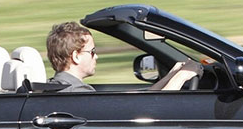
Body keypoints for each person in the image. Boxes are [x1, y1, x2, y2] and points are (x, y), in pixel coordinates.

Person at [46, 21, 203, 92]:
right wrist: (183, 76)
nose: (96, 57)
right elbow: (155, 109)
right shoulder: (76, 94)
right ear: (76, 56)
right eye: (92, 51)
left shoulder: (60, 88)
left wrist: (170, 76)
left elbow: (139, 104)